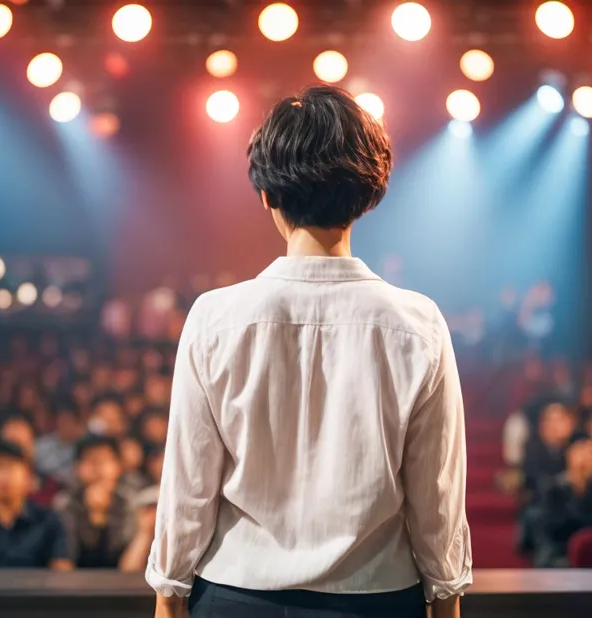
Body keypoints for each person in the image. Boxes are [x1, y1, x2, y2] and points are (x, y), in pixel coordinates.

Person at [146, 85, 470, 618]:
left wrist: (167, 594)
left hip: (237, 597)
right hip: (377, 599)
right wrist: (447, 597)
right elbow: (436, 495)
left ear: (267, 195)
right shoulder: (418, 323)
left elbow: (188, 484)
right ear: (368, 193)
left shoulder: (215, 317)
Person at [57, 435, 155, 570]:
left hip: (124, 587)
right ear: (77, 468)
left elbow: (130, 568)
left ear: (118, 467)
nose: (98, 469)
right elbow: (64, 562)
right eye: (90, 461)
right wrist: (94, 516)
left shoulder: (131, 504)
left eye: (104, 461)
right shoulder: (64, 505)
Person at [533, 432, 592, 567]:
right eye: (581, 451)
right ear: (568, 454)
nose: (586, 459)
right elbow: (552, 528)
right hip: (558, 555)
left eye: (591, 453)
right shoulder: (552, 489)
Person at [35, 405, 83, 486]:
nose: (63, 425)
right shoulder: (42, 444)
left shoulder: (81, 448)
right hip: (43, 486)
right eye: (60, 421)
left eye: (68, 421)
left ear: (77, 424)